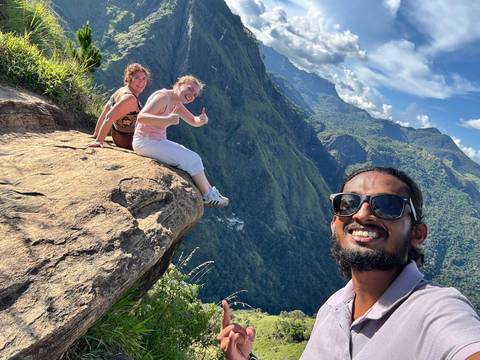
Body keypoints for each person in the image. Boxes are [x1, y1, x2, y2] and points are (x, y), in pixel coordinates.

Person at [217, 166, 480, 359]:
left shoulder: (437, 309)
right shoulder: (331, 310)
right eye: (349, 203)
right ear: (335, 225)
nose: (363, 213)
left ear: (416, 234)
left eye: (387, 206)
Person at [132, 75, 229, 208]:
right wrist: (167, 120)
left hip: (155, 141)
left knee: (194, 159)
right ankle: (208, 196)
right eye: (189, 89)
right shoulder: (163, 97)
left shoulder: (176, 102)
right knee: (192, 159)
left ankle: (210, 193)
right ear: (179, 84)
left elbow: (192, 121)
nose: (191, 95)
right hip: (145, 141)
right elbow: (141, 117)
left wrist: (202, 120)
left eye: (194, 94)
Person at [89, 63, 150, 149]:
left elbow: (106, 110)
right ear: (128, 79)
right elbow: (109, 117)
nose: (141, 82)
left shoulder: (120, 91)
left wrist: (96, 133)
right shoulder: (130, 99)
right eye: (137, 78)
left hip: (118, 137)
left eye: (144, 78)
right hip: (128, 140)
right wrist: (99, 140)